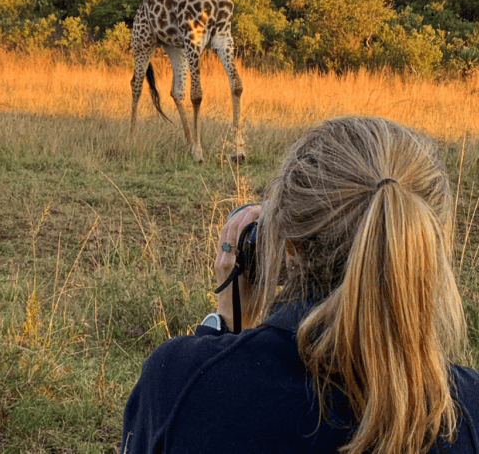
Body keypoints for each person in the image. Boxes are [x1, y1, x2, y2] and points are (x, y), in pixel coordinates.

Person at [121, 116, 479, 453]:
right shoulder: (465, 408)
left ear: (288, 246)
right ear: (425, 248)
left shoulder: (178, 381)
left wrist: (228, 329)